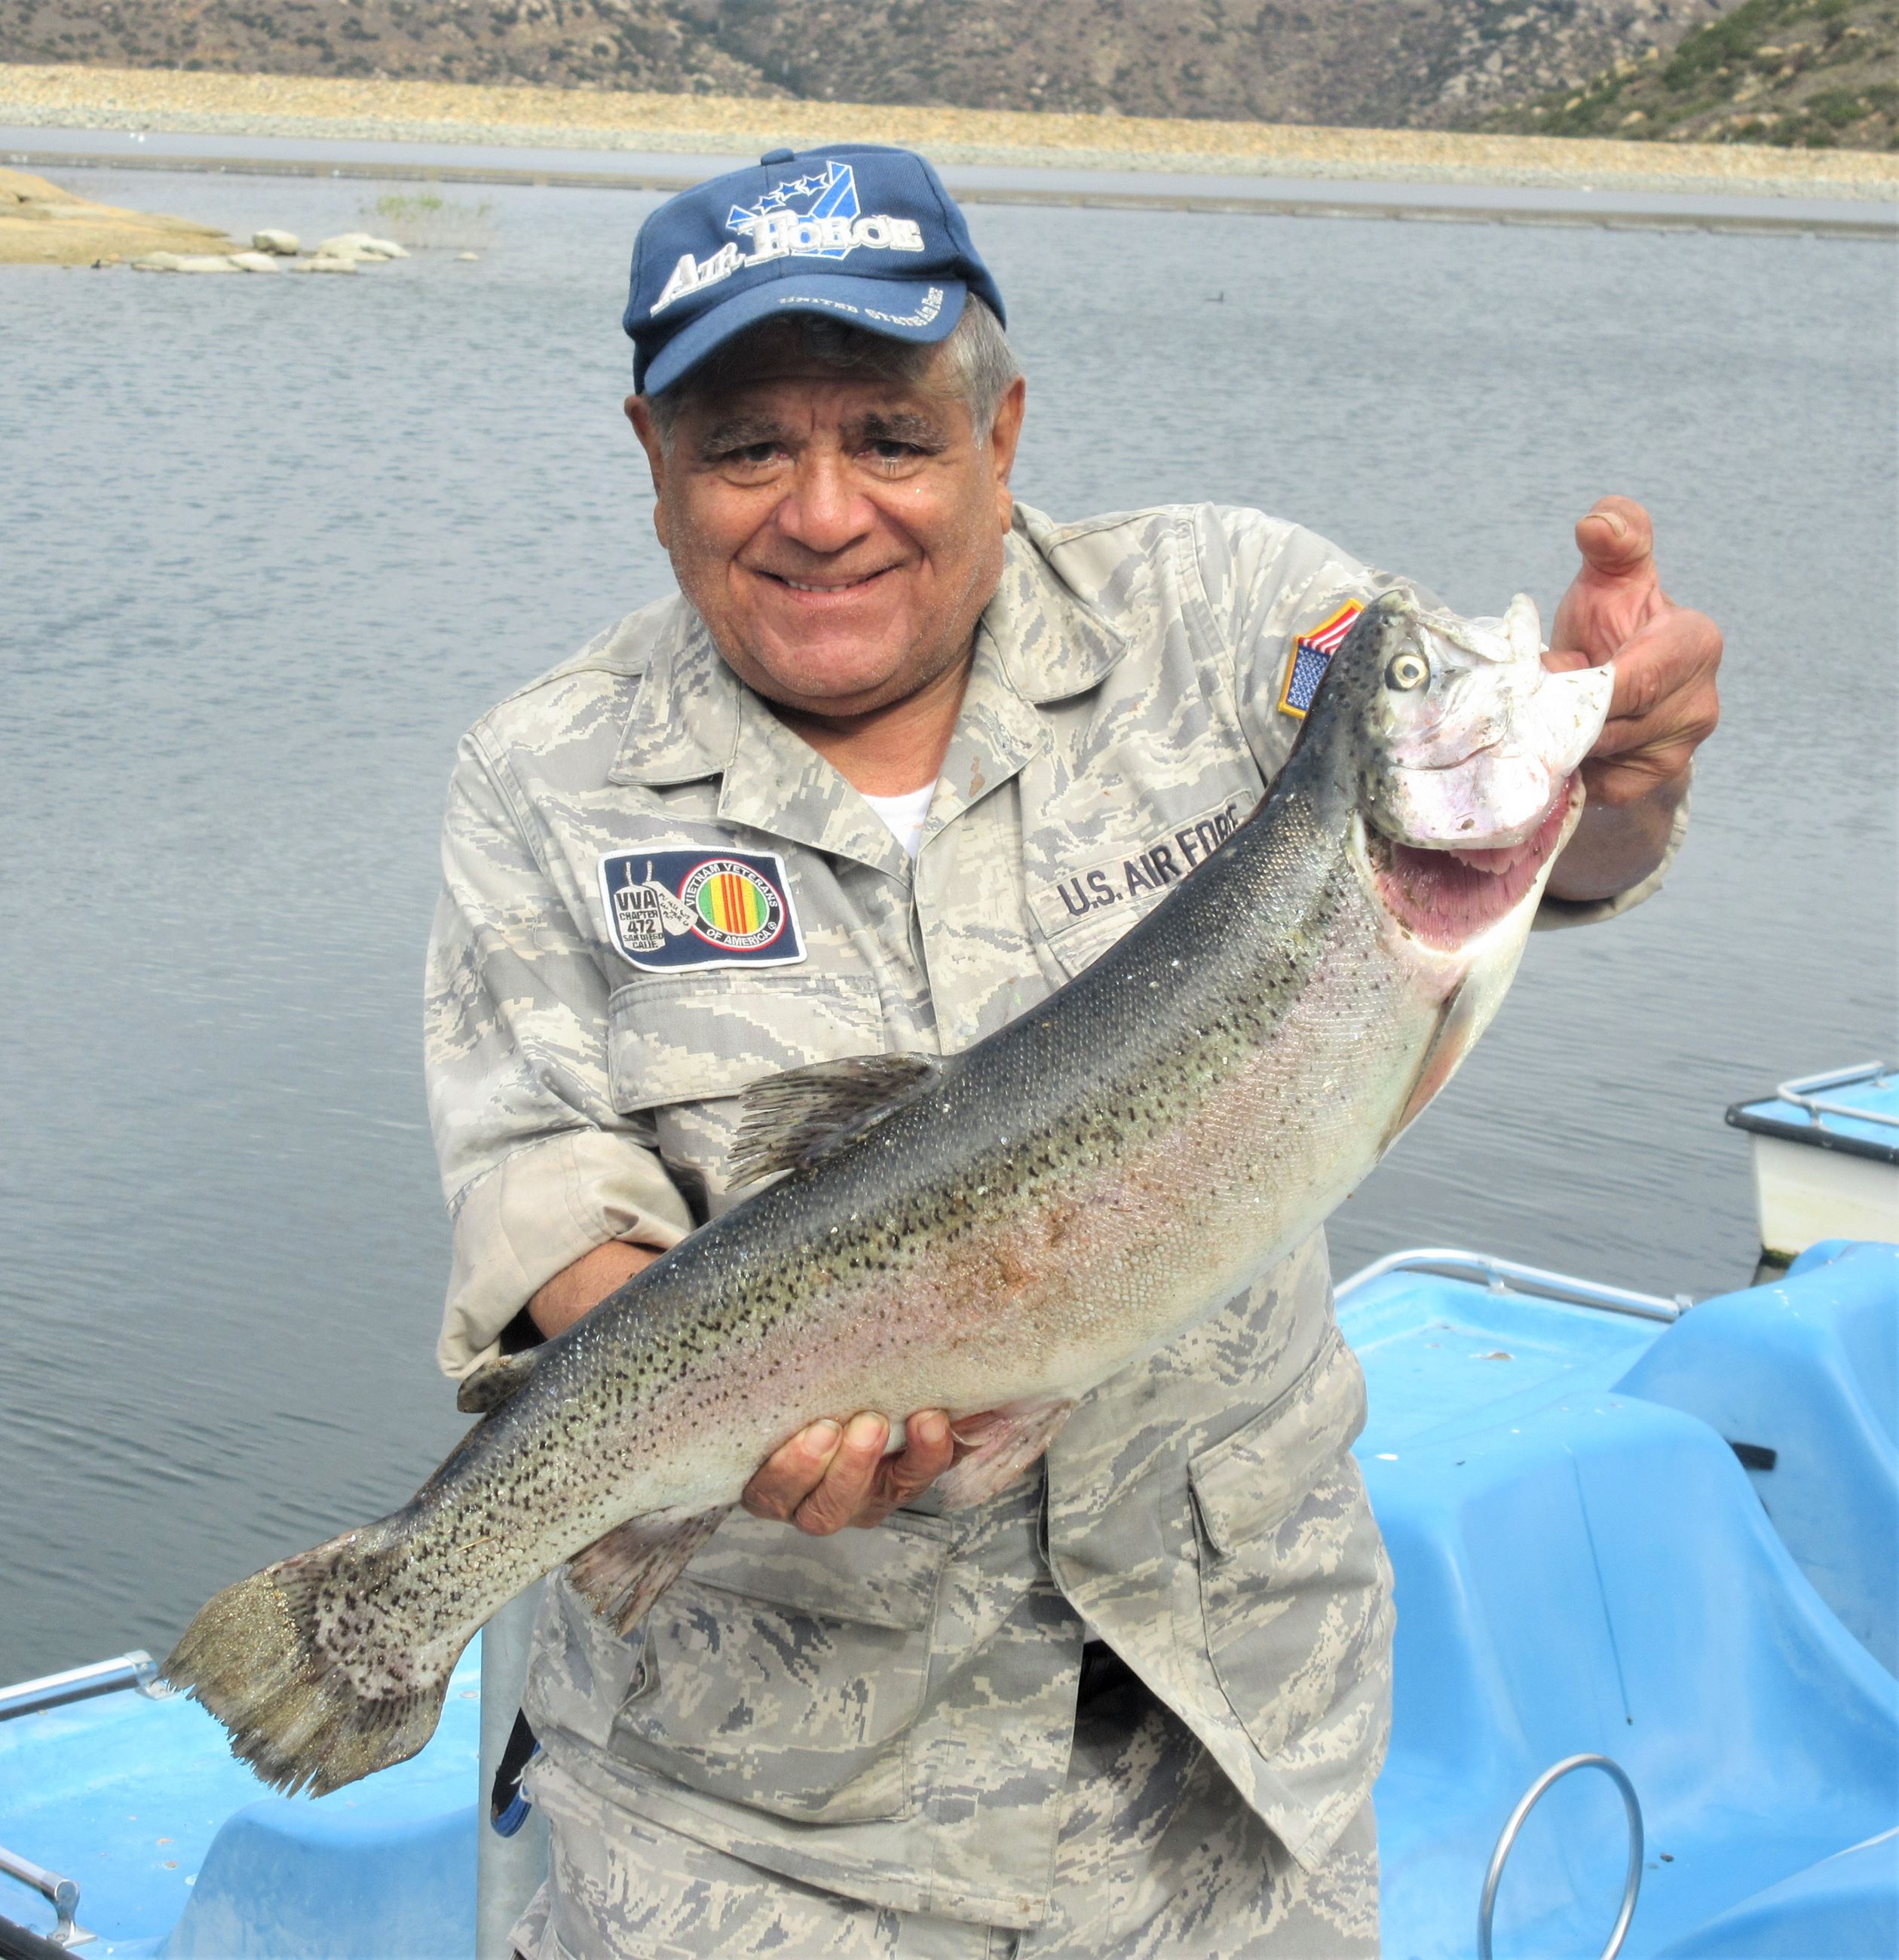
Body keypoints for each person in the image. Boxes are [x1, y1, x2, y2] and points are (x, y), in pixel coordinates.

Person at [424, 145, 1720, 1958]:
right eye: (743, 448)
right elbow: (539, 1188)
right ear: (650, 461)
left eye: (888, 435)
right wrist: (750, 1404)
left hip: (1240, 1768)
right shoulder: (542, 775)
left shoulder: (1242, 615)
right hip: (765, 1839)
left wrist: (1620, 767)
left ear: (1003, 429)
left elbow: (1522, 846)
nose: (821, 510)